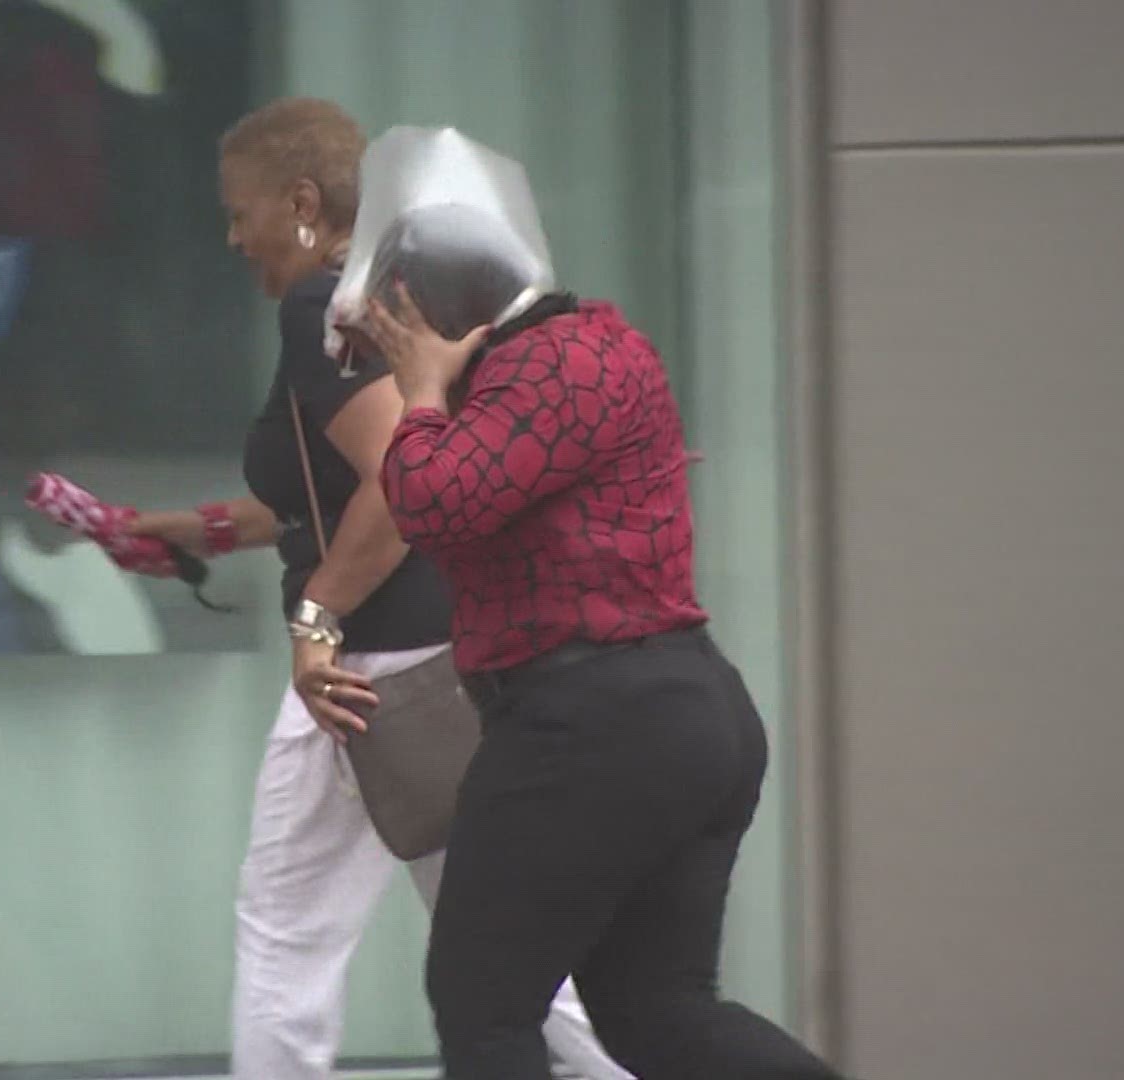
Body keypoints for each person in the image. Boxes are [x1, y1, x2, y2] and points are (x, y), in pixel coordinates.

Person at [116, 98, 628, 1080]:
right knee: (505, 944)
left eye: (240, 210)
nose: (231, 236)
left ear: (303, 202)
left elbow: (401, 478)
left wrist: (317, 619)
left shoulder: (321, 304)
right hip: (447, 652)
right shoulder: (401, 293)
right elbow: (340, 486)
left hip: (367, 672)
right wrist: (205, 528)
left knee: (288, 935)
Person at [360, 198, 845, 1079]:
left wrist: (423, 392)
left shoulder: (557, 362)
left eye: (395, 323)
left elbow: (434, 503)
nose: (389, 348)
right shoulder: (578, 349)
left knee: (483, 1009)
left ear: (430, 308)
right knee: (654, 1012)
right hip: (668, 711)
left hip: (591, 722)